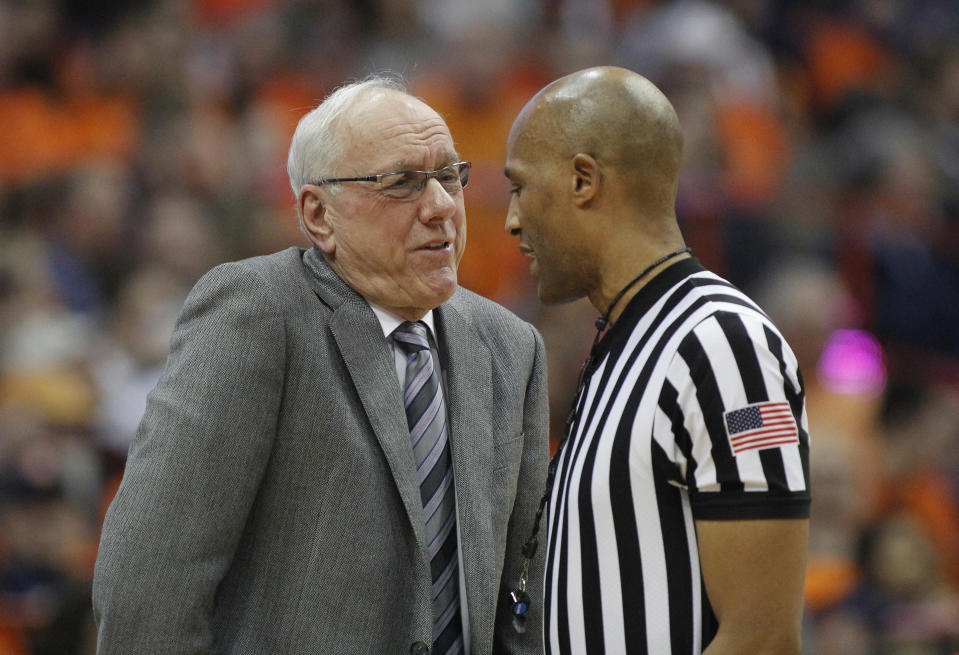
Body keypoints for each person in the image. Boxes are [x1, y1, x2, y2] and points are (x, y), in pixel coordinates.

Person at [92, 75, 550, 655]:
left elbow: (522, 600)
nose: (441, 207)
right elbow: (149, 585)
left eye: (448, 176)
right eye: (403, 183)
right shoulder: (258, 313)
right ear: (319, 214)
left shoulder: (512, 346)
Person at [504, 66, 811, 654]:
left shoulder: (722, 346)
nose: (513, 219)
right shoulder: (619, 345)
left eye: (520, 187)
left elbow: (763, 638)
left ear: (582, 181)